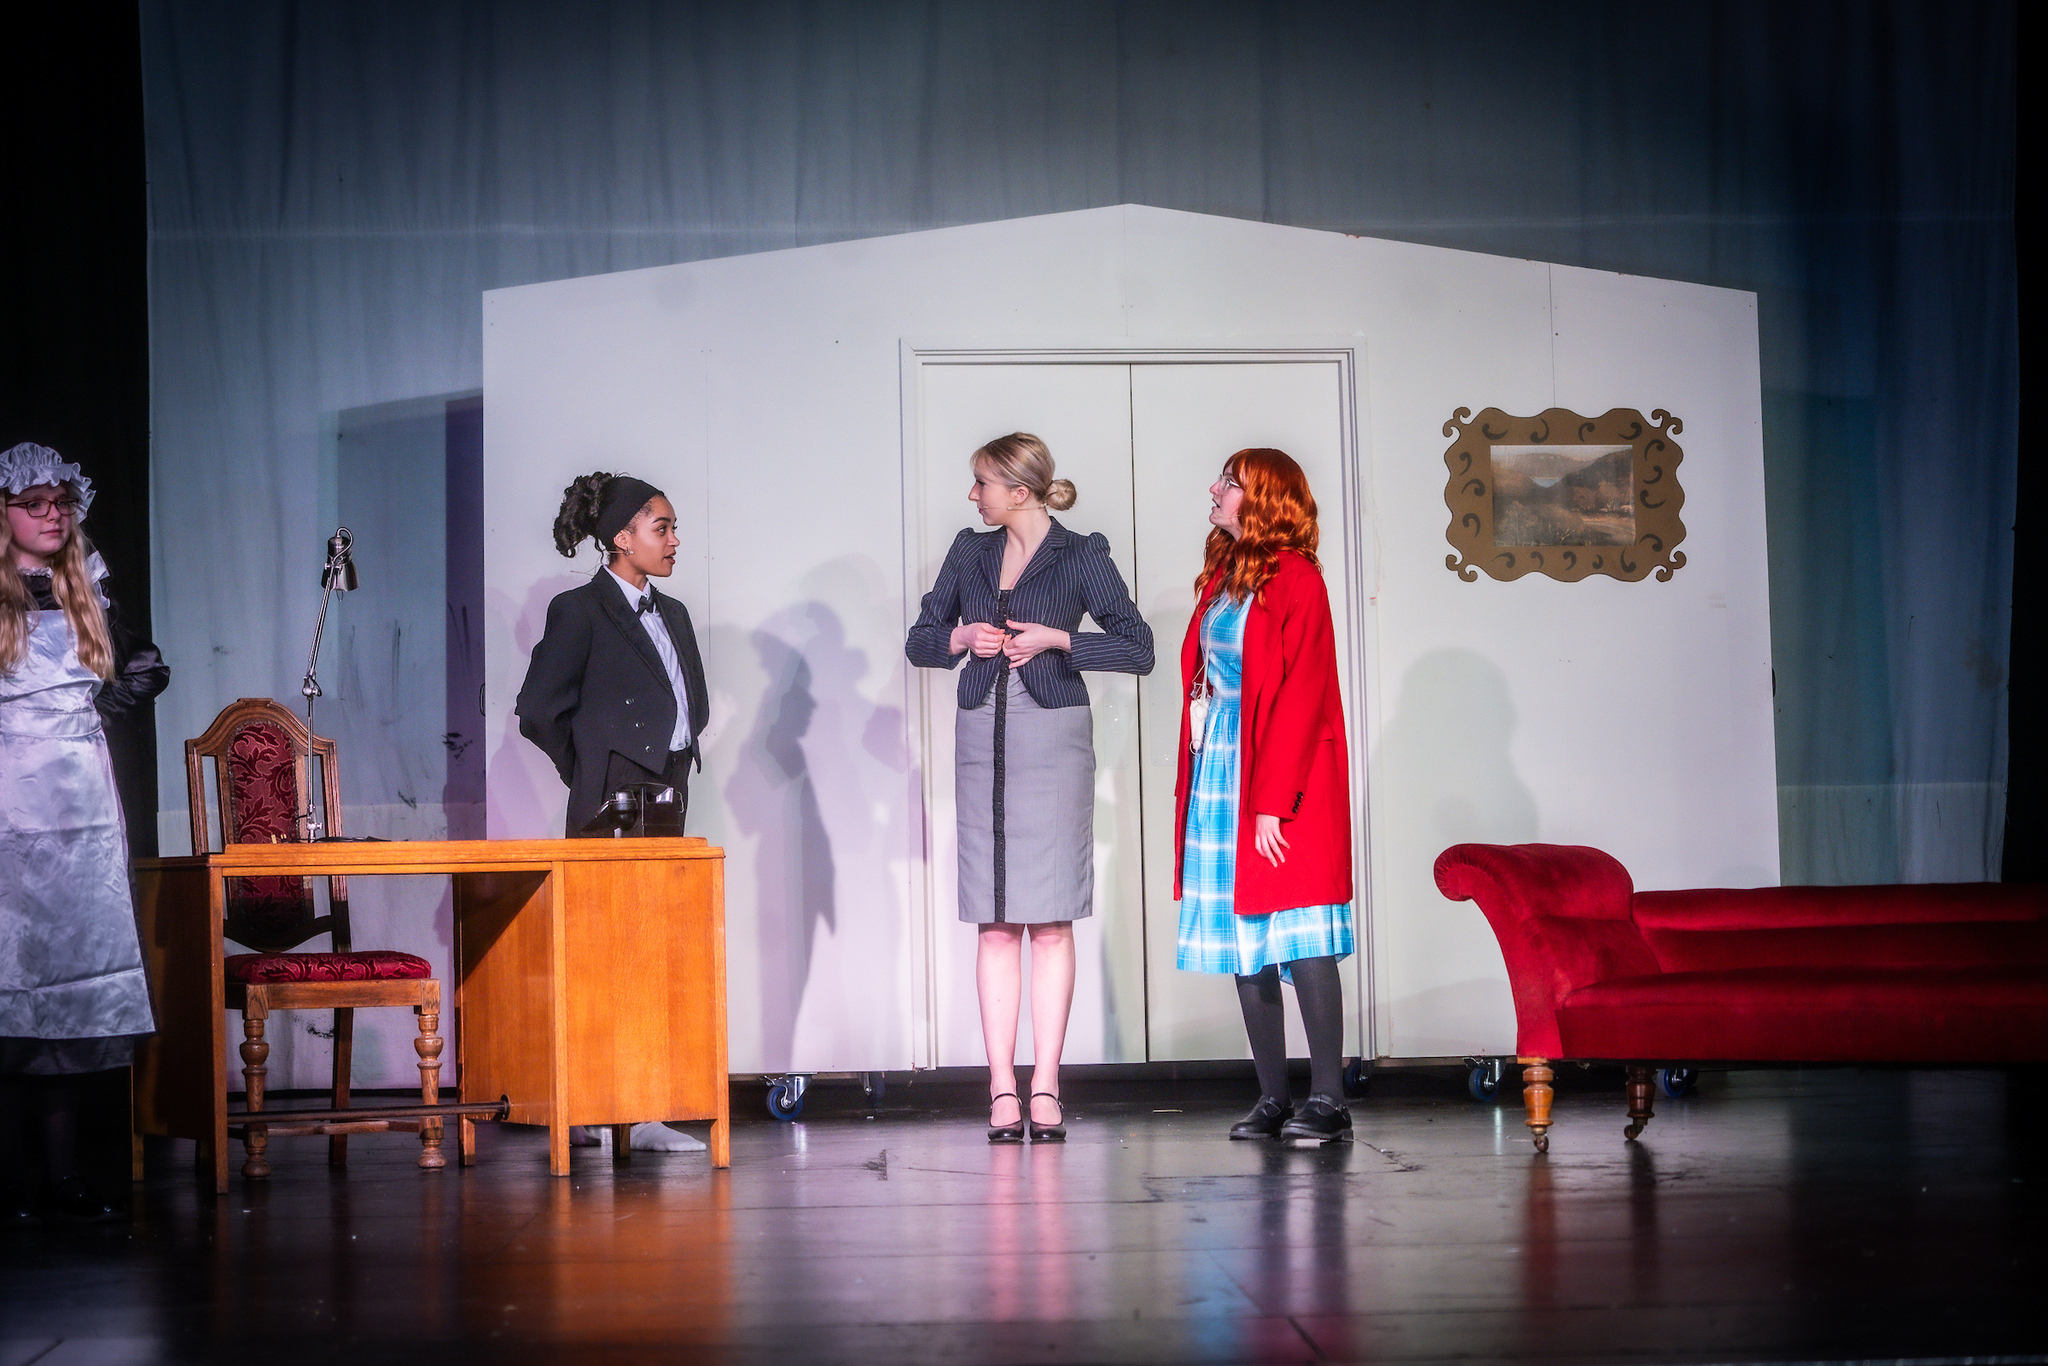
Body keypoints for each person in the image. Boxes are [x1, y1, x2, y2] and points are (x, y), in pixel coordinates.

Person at [906, 433, 1153, 1142]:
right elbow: (921, 639)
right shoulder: (969, 550)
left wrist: (1059, 639)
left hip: (1053, 739)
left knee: (1049, 921)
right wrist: (961, 639)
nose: (973, 495)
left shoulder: (1081, 554)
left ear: (1019, 491)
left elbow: (1138, 647)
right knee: (994, 919)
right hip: (981, 737)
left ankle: (1045, 1084)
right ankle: (1001, 1089)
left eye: (982, 482)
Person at [515, 470, 709, 1153]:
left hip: (666, 797)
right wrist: (590, 769)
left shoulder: (673, 612)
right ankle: (593, 1105)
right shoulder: (580, 610)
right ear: (622, 538)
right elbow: (538, 710)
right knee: (604, 955)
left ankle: (644, 1108)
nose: (675, 540)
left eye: (674, 528)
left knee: (654, 952)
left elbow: (688, 701)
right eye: (663, 528)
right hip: (611, 802)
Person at [0, 442, 169, 1219]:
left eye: (61, 502)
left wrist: (84, 715)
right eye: (34, 502)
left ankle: (64, 1175)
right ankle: (12, 1180)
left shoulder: (86, 593)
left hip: (78, 811)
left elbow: (144, 666)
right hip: (8, 807)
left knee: (66, 990)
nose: (52, 514)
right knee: (12, 980)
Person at [1173, 448, 1356, 1143]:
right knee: (1244, 937)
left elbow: (1305, 691)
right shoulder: (1226, 574)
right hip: (1225, 764)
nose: (1215, 489)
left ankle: (1330, 1099)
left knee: (1302, 930)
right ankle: (1274, 1097)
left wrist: (1273, 802)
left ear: (1264, 499)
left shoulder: (1298, 578)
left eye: (1230, 482)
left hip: (1283, 773)